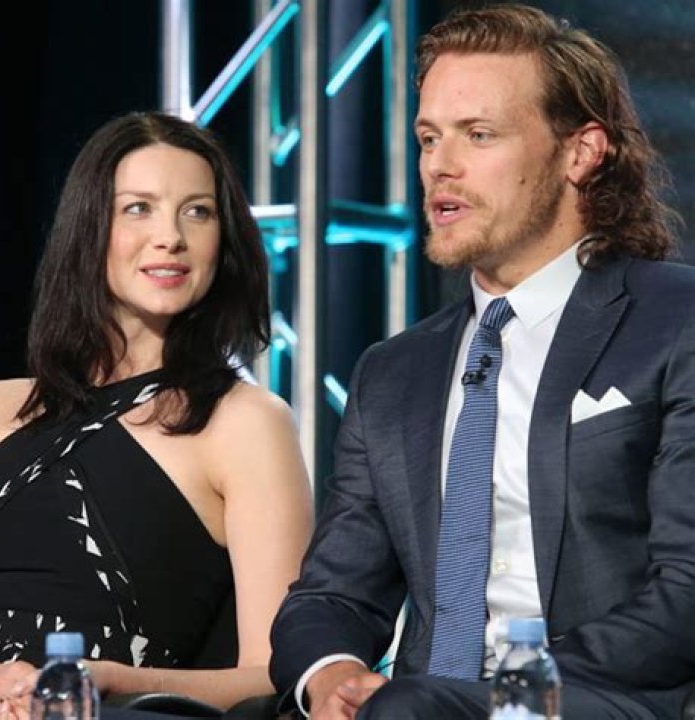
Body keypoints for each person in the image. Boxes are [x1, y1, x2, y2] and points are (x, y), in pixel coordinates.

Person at [270, 4, 695, 719]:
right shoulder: (392, 372)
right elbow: (332, 594)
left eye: (478, 134)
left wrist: (507, 689)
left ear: (581, 153)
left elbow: (686, 591)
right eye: (428, 137)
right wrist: (332, 677)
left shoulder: (675, 319)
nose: (440, 165)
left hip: (603, 700)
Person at [0, 110, 313, 718]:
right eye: (138, 208)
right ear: (89, 226)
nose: (171, 237)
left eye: (197, 211)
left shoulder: (245, 423)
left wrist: (110, 680)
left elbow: (275, 674)